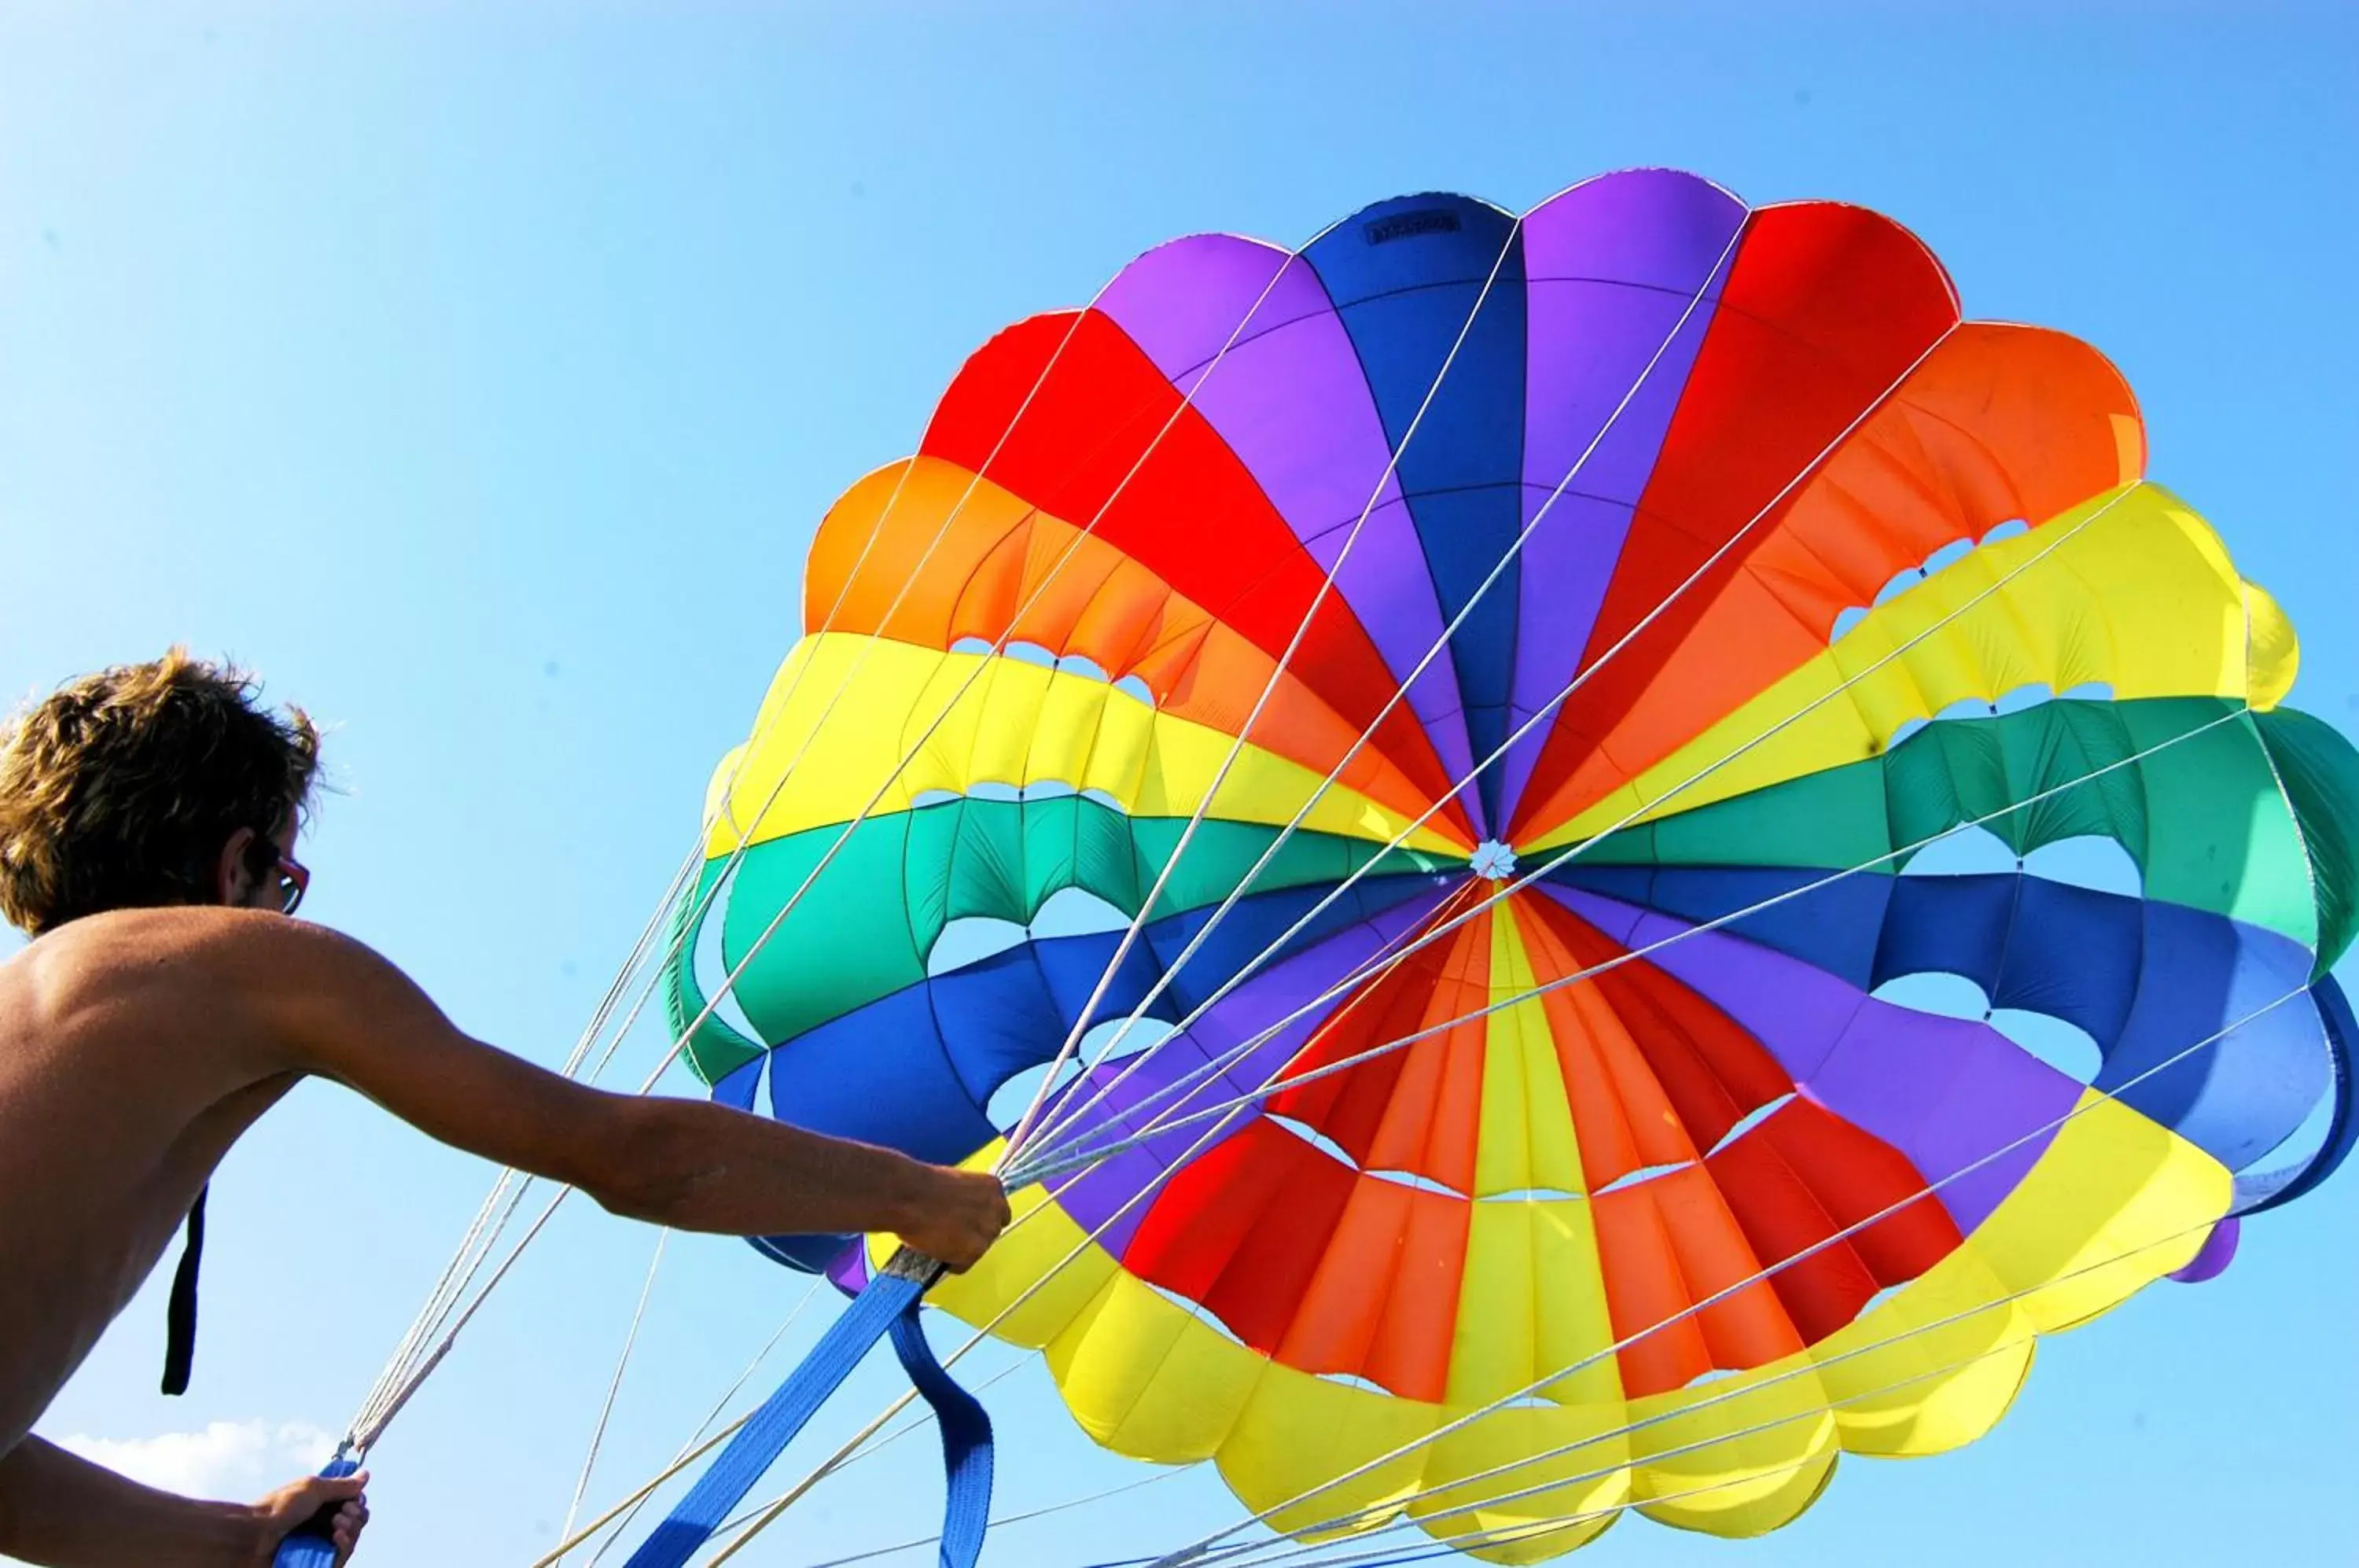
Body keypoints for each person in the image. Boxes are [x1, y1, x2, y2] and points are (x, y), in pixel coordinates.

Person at [0, 651, 1013, 1566]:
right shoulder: (241, 964)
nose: (288, 906)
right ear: (235, 864)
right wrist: (917, 1194)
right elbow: (629, 1155)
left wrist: (238, 1541)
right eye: (289, 878)